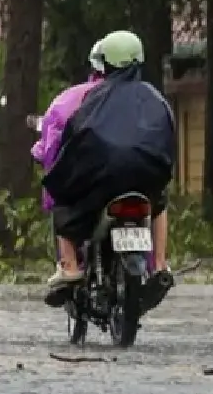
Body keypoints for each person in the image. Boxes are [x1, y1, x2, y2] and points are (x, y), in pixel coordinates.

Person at [41, 30, 177, 306]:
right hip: (146, 180)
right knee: (160, 202)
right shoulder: (155, 98)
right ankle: (160, 265)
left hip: (102, 182)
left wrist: (63, 173)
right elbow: (168, 139)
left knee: (63, 203)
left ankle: (69, 267)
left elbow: (73, 138)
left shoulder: (91, 98)